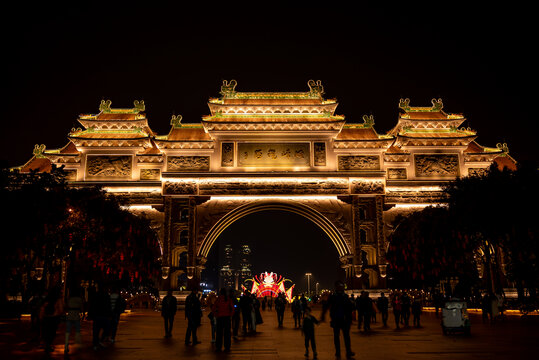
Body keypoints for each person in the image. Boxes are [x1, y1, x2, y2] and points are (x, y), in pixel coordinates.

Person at [321, 281, 354, 359]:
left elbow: (349, 308)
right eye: (340, 286)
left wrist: (350, 318)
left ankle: (348, 351)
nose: (342, 287)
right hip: (336, 319)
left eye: (342, 285)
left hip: (344, 319)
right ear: (336, 287)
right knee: (337, 336)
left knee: (346, 336)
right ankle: (339, 352)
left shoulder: (344, 296)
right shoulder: (333, 296)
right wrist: (323, 315)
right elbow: (326, 306)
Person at [40, 287, 64, 354]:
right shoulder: (58, 299)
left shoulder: (46, 299)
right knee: (52, 333)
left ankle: (46, 345)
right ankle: (49, 345)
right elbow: (61, 310)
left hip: (46, 318)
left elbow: (42, 308)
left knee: (46, 332)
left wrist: (41, 317)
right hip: (54, 318)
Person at [88, 285, 112, 350]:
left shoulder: (95, 296)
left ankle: (96, 344)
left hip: (97, 315)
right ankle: (100, 341)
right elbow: (109, 306)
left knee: (96, 331)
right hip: (104, 315)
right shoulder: (106, 296)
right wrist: (110, 314)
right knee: (107, 329)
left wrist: (90, 315)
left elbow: (92, 305)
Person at [64, 286, 83, 354]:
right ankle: (78, 344)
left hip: (69, 315)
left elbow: (66, 306)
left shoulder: (69, 299)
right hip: (76, 316)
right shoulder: (79, 299)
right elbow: (81, 307)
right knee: (77, 330)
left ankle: (66, 346)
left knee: (67, 331)